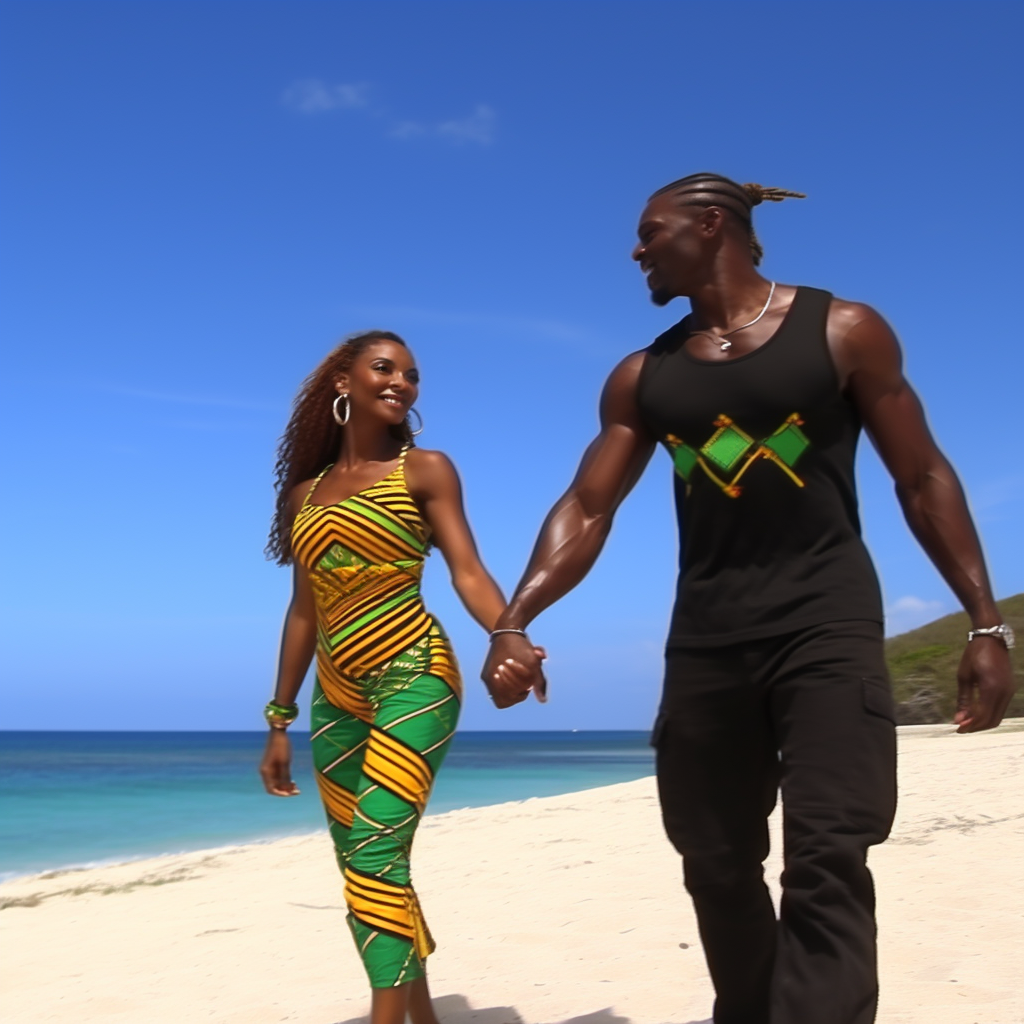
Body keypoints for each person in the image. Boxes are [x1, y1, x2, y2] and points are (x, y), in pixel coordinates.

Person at [481, 173, 1016, 1024]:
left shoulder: (843, 331)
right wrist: (515, 619)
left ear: (708, 224)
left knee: (828, 852)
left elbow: (921, 476)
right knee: (715, 858)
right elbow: (588, 506)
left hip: (827, 627)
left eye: (649, 232)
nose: (637, 251)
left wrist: (986, 622)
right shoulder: (643, 377)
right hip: (706, 643)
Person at [260, 330, 542, 1024]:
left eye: (411, 375)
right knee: (361, 861)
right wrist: (279, 718)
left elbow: (468, 571)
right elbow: (304, 611)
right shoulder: (306, 496)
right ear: (342, 383)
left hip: (416, 675)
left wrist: (510, 632)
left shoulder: (426, 471)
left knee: (375, 850)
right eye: (384, 369)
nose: (401, 383)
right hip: (336, 694)